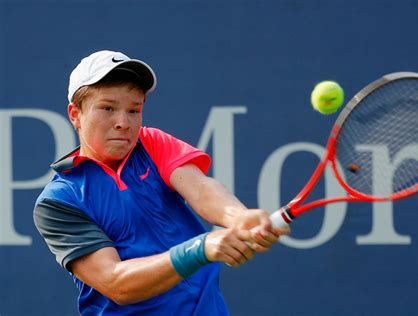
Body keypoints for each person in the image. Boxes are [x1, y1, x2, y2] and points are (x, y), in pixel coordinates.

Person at [33, 50, 288, 315]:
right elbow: (117, 283)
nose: (123, 122)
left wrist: (238, 217)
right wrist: (199, 249)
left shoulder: (152, 143)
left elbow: (200, 189)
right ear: (75, 114)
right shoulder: (59, 201)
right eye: (108, 108)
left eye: (134, 110)